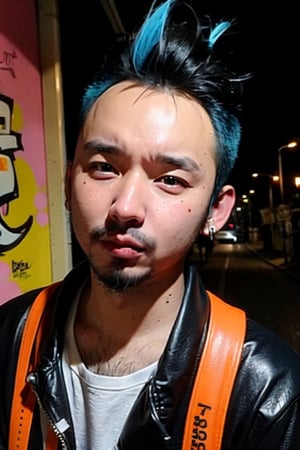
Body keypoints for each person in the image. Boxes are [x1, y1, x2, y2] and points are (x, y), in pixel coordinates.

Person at [1, 1, 300, 449]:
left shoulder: (265, 392)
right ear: (68, 181)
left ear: (216, 211)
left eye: (170, 180)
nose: (126, 207)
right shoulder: (9, 335)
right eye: (104, 167)